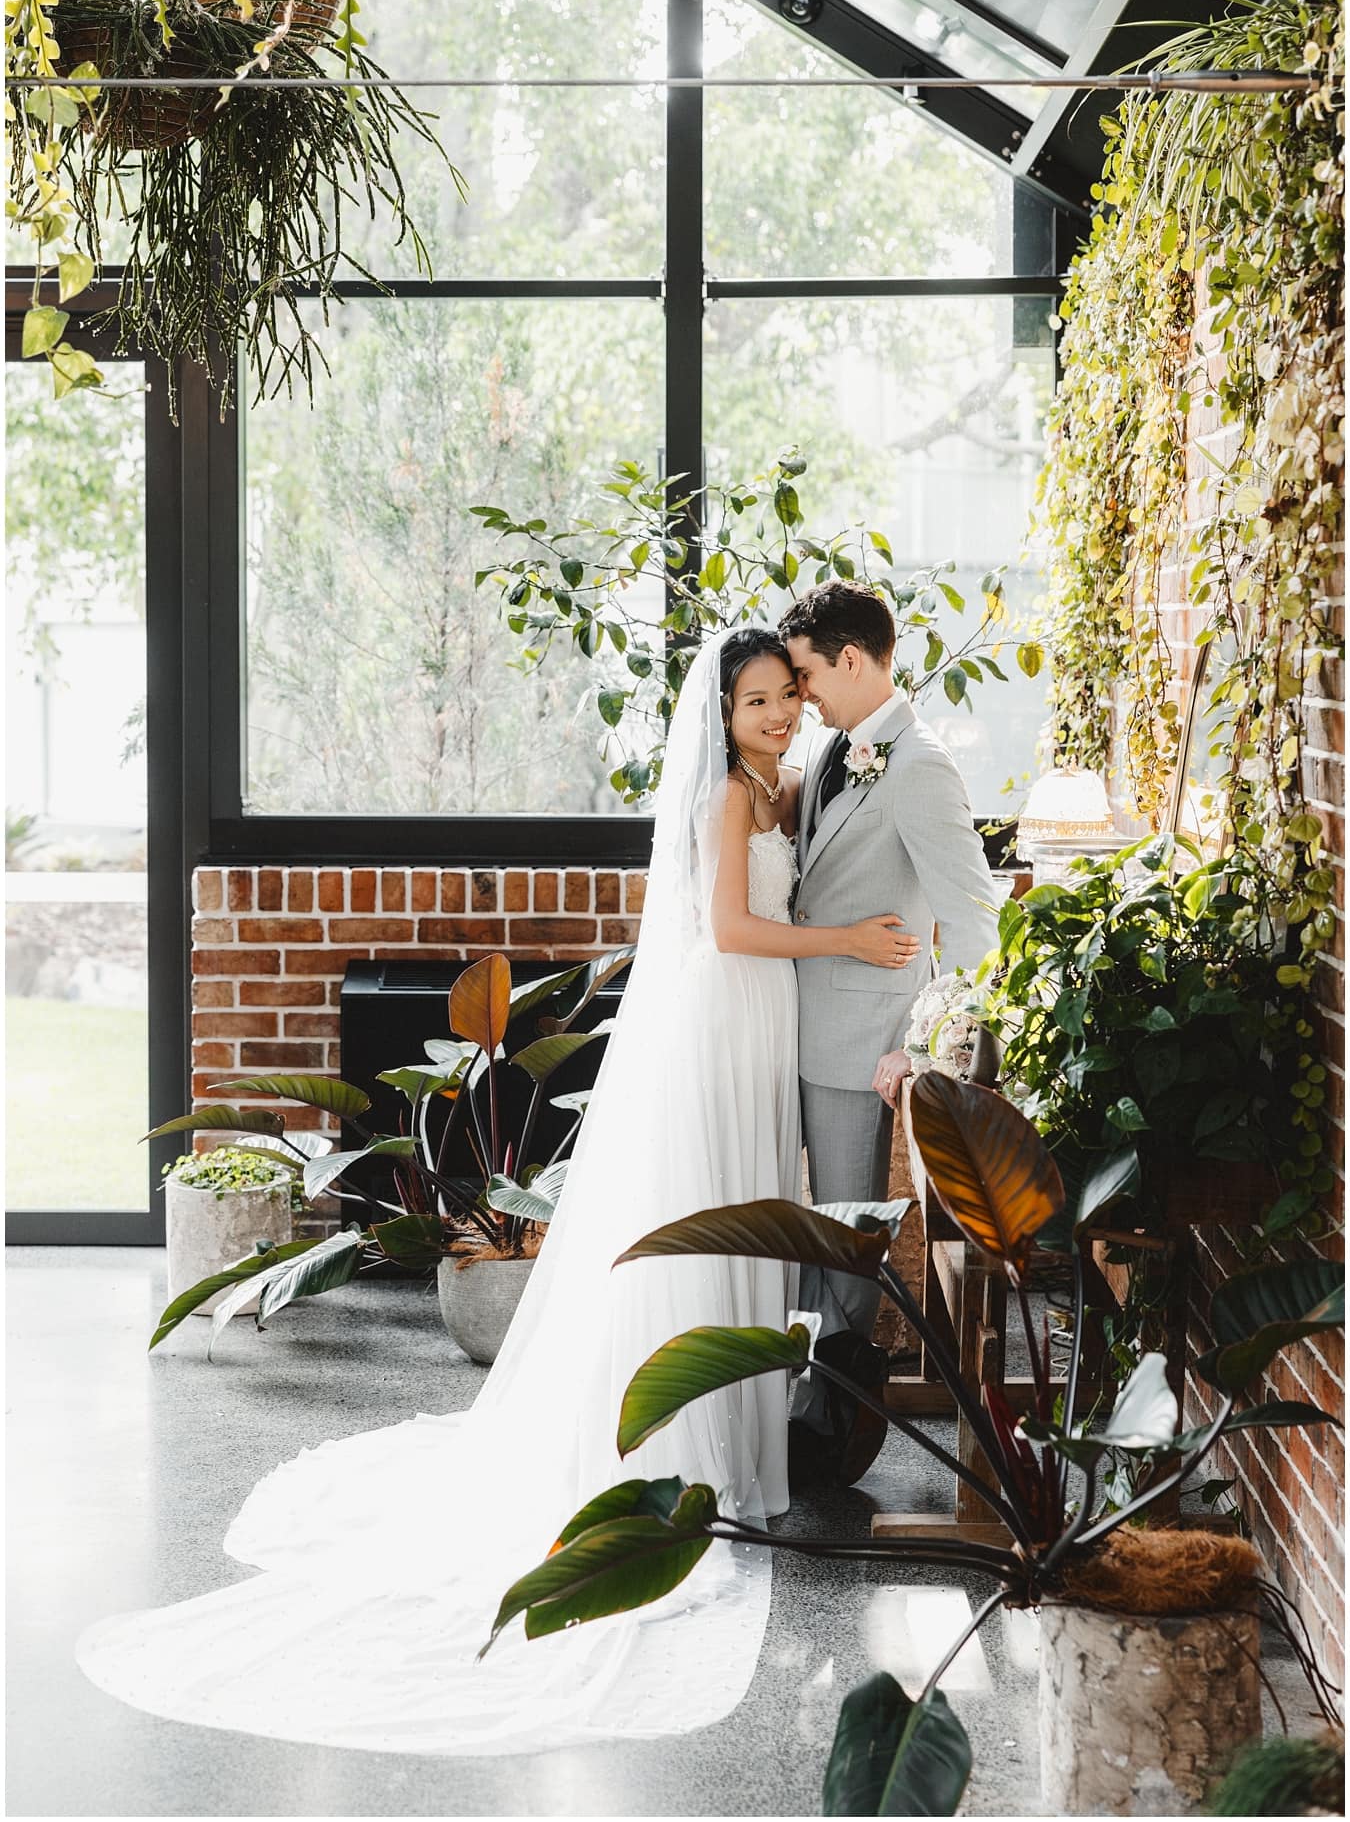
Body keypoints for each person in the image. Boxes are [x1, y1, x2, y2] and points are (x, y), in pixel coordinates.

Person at [74, 628, 919, 1755]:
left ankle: (732, 1434)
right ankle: (679, 1447)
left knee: (744, 1225)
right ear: (718, 714)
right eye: (755, 699)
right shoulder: (726, 797)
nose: (774, 714)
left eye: (784, 696)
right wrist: (848, 939)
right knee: (707, 1220)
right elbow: (725, 929)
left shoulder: (782, 785)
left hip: (760, 1032)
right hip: (721, 1027)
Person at [778, 582, 1002, 1477]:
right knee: (803, 1232)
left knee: (842, 1241)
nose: (800, 697)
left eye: (805, 675)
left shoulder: (919, 767)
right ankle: (789, 1399)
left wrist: (923, 1043)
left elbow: (980, 928)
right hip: (792, 1028)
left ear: (854, 660)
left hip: (856, 1043)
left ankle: (830, 1430)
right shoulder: (840, 744)